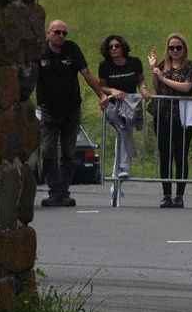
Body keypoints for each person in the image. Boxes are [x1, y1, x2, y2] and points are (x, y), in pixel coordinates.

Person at [36, 20, 110, 207]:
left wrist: (100, 94)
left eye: (64, 33)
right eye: (57, 32)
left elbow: (86, 73)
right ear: (48, 33)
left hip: (70, 110)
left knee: (69, 153)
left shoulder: (72, 49)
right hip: (49, 110)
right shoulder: (40, 52)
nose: (61, 36)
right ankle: (54, 191)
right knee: (48, 152)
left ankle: (64, 191)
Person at [147, 33, 192, 209]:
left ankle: (179, 195)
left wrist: (164, 78)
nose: (175, 50)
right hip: (163, 114)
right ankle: (166, 194)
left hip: (183, 117)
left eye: (178, 47)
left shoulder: (191, 66)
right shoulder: (164, 66)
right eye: (171, 47)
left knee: (180, 155)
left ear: (184, 48)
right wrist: (154, 69)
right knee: (165, 155)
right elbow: (157, 88)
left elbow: (187, 87)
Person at [98, 34, 152, 197]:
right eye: (110, 47)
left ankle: (117, 181)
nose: (114, 49)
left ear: (123, 47)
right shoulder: (104, 66)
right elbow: (102, 86)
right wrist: (112, 91)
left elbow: (141, 81)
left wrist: (143, 88)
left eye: (117, 46)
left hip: (130, 106)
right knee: (123, 132)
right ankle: (124, 167)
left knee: (121, 138)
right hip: (113, 107)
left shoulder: (134, 62)